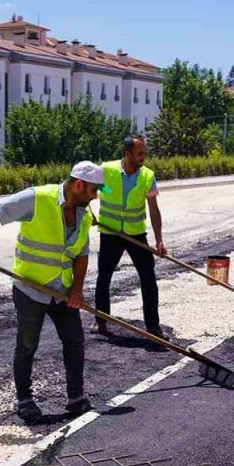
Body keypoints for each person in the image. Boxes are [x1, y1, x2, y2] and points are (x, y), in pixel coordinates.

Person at [0, 161, 107, 422]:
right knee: (27, 344)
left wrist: (77, 291)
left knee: (74, 341)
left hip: (63, 290)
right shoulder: (38, 198)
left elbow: (81, 254)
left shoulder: (84, 214)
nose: (95, 196)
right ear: (79, 184)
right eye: (94, 190)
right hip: (30, 289)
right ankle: (25, 400)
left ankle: (76, 397)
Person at [93, 135, 165, 338]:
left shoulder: (147, 176)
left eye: (144, 153)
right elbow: (91, 189)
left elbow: (154, 209)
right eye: (140, 153)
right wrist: (104, 193)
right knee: (103, 277)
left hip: (136, 234)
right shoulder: (106, 170)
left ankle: (153, 327)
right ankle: (101, 321)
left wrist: (159, 239)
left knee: (148, 279)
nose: (144, 157)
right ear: (127, 154)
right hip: (110, 233)